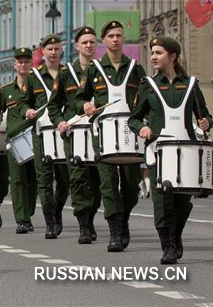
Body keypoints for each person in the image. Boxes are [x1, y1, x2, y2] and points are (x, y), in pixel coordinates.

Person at [129, 36, 212, 264]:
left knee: (182, 204)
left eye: (159, 53)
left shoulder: (190, 84)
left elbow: (205, 115)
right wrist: (143, 128)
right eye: (152, 52)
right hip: (158, 151)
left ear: (173, 56)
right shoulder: (148, 85)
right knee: (162, 201)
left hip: (185, 151)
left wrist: (206, 123)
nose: (153, 57)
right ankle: (168, 246)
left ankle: (176, 236)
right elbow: (133, 120)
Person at [77, 21, 146, 252]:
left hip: (131, 133)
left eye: (119, 35)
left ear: (123, 39)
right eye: (111, 36)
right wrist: (86, 104)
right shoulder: (94, 69)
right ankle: (115, 231)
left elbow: (147, 99)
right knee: (108, 184)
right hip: (104, 134)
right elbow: (80, 98)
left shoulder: (135, 68)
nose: (115, 39)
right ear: (103, 41)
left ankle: (123, 216)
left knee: (131, 185)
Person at [46, 27, 102, 244]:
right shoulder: (66, 73)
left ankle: (91, 216)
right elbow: (53, 106)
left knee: (98, 182)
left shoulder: (101, 71)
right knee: (78, 180)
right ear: (76, 46)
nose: (89, 45)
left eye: (92, 42)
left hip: (98, 133)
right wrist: (60, 121)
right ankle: (84, 226)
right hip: (75, 135)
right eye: (84, 42)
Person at [27, 34, 71, 239]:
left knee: (65, 179)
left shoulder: (68, 73)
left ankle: (57, 209)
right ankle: (50, 222)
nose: (53, 52)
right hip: (41, 133)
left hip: (64, 131)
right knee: (44, 180)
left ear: (61, 50)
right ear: (42, 52)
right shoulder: (33, 76)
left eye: (56, 48)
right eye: (49, 49)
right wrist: (27, 111)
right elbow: (23, 103)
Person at [0, 47, 38, 234]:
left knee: (33, 180)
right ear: (15, 64)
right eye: (20, 61)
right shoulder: (8, 90)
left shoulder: (37, 85)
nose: (23, 64)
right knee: (17, 180)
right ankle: (22, 219)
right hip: (15, 140)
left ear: (31, 63)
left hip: (34, 137)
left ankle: (29, 212)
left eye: (26, 61)